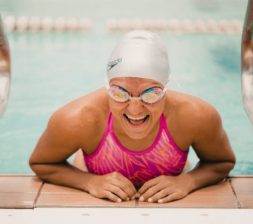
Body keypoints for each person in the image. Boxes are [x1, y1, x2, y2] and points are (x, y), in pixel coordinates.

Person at [29, 30, 236, 203]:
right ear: (107, 87)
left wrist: (187, 182)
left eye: (151, 94)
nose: (135, 109)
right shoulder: (79, 118)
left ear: (166, 89)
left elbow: (221, 162)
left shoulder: (195, 116)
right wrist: (89, 182)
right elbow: (41, 163)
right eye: (120, 93)